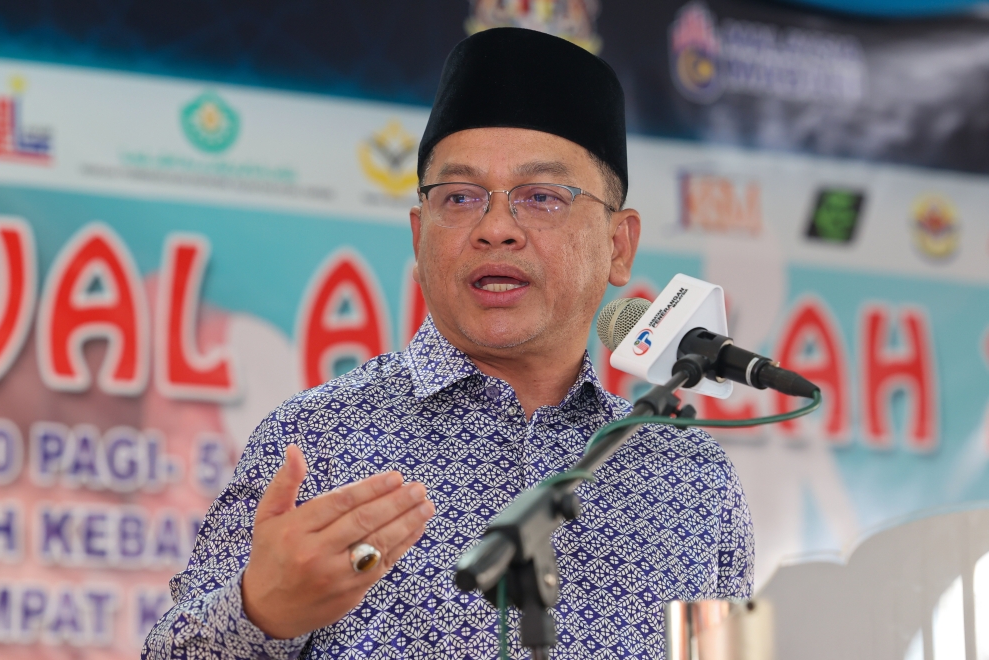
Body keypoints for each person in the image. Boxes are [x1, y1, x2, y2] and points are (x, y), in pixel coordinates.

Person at [143, 27, 753, 660]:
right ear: (419, 235)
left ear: (618, 246)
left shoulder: (690, 480)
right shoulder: (317, 441)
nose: (494, 229)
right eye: (459, 197)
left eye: (541, 197)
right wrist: (259, 613)